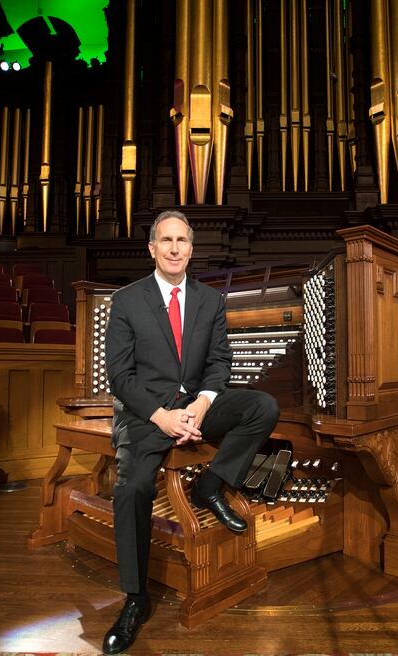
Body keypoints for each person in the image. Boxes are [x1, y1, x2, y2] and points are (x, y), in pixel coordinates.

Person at [102, 209, 279, 654]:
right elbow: (120, 377)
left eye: (182, 241)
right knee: (134, 487)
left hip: (194, 406)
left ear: (191, 249)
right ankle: (135, 599)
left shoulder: (210, 300)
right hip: (147, 412)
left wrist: (202, 404)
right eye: (167, 241)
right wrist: (161, 416)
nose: (175, 248)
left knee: (262, 406)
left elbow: (219, 363)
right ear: (152, 248)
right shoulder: (126, 301)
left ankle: (210, 486)